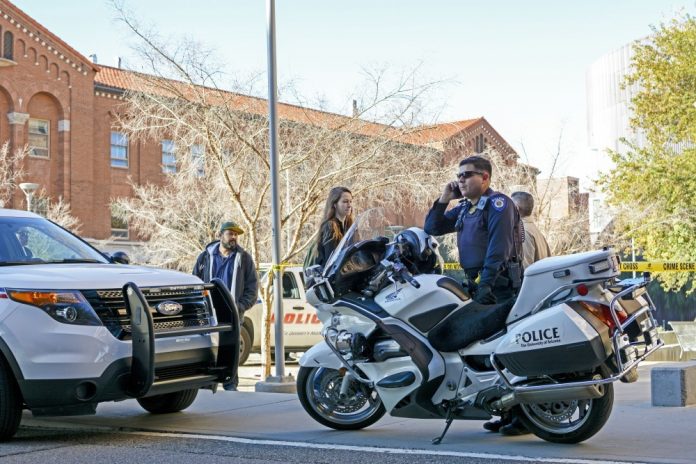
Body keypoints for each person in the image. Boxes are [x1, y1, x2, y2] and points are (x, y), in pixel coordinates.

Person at [424, 155, 528, 436]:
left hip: (500, 286)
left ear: (485, 178)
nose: (461, 180)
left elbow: (499, 249)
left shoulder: (498, 204)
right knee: (486, 352)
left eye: (467, 175)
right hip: (481, 285)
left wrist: (486, 288)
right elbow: (432, 228)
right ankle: (506, 411)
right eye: (458, 175)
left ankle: (522, 416)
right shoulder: (465, 208)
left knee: (505, 350)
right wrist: (444, 199)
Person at [193, 220, 258, 391]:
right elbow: (195, 282)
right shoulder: (205, 257)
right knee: (209, 350)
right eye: (230, 233)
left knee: (230, 350)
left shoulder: (244, 258)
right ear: (220, 235)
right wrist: (200, 308)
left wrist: (239, 307)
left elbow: (252, 288)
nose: (234, 237)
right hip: (209, 314)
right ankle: (207, 385)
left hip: (232, 314)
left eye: (236, 234)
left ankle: (230, 385)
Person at [314, 186, 354, 267]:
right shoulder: (330, 226)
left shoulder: (349, 226)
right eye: (345, 201)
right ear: (335, 204)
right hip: (331, 274)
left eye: (350, 201)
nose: (349, 205)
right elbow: (332, 261)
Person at [511, 191, 551, 269]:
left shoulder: (523, 232)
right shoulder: (534, 229)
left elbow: (526, 269)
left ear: (516, 208)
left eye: (510, 206)